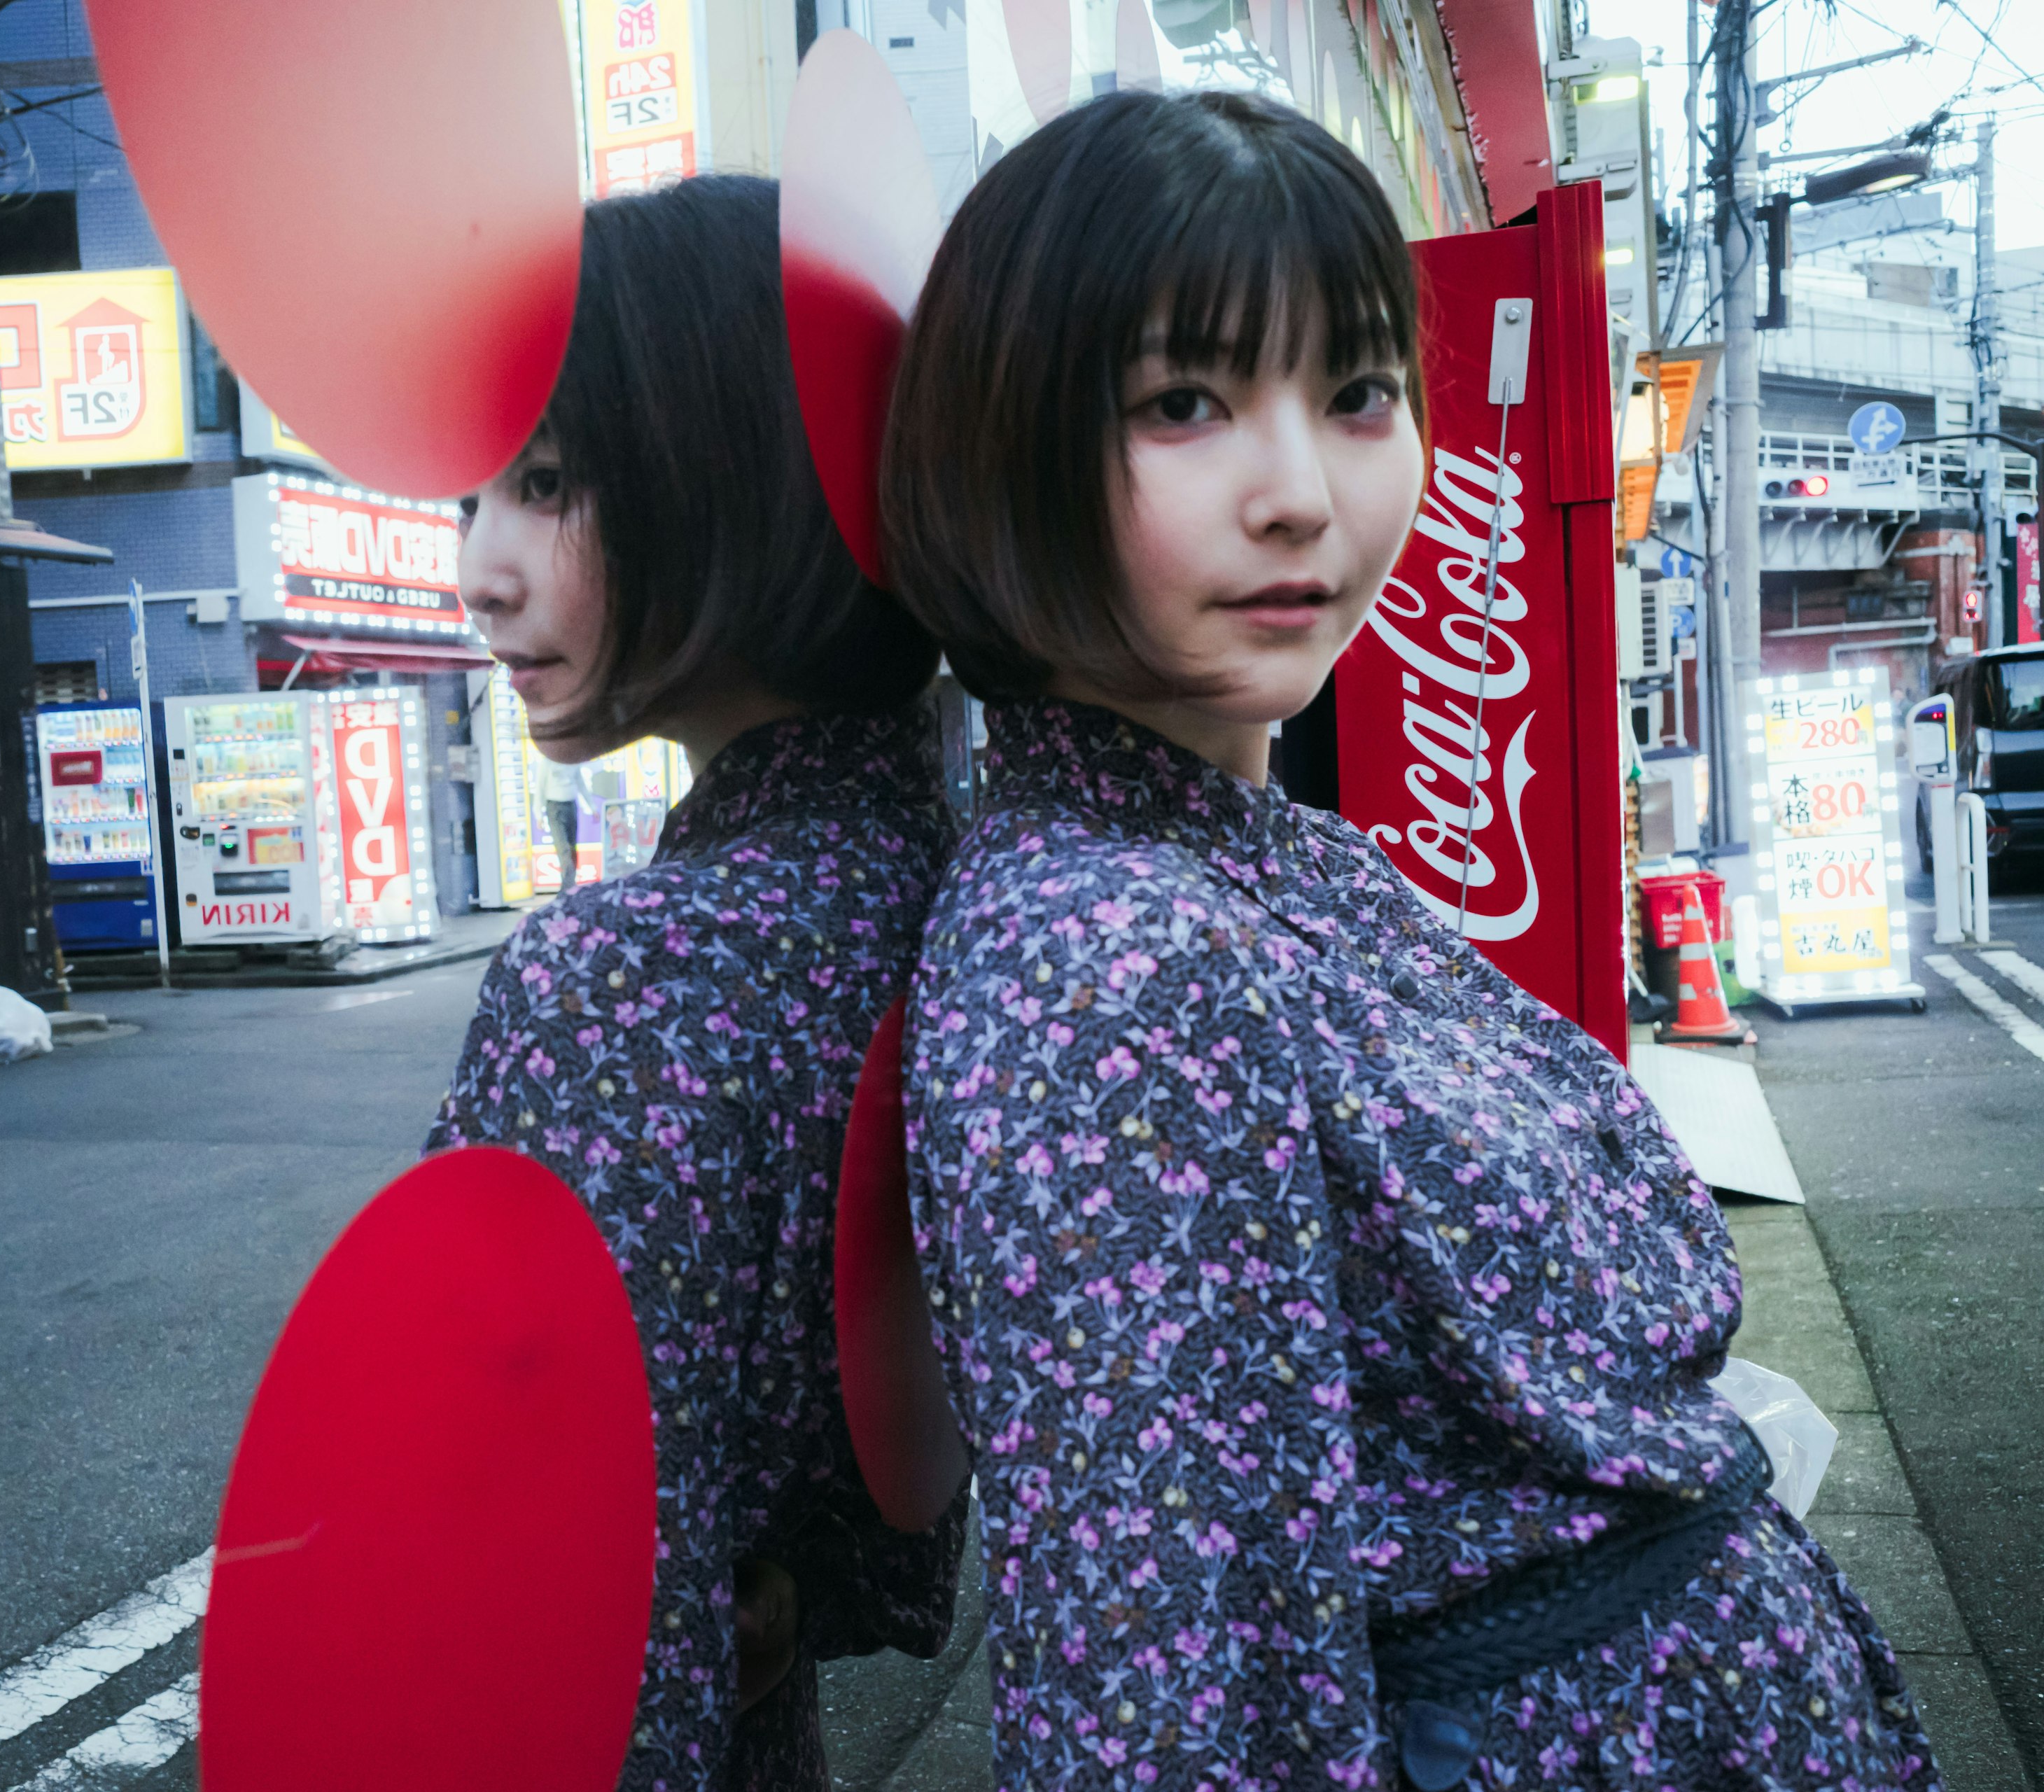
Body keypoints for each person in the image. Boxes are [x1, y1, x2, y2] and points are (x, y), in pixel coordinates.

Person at [877, 90, 1939, 1792]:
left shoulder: (1254, 850)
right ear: (998, 449)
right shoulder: (1109, 955)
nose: (1300, 491)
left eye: (1358, 392)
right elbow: (1161, 1683)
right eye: (1180, 402)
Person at [433, 174, 967, 1791]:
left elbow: (543, 1588)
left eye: (547, 485)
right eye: (473, 495)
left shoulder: (625, 976)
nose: (480, 567)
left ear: (731, 481)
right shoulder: (959, 884)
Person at [538, 755, 583, 892]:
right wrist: (538, 814)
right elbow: (540, 787)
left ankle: (570, 885)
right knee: (563, 848)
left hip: (571, 804)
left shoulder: (573, 759)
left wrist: (592, 806)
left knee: (572, 847)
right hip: (554, 806)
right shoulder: (547, 761)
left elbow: (581, 783)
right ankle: (567, 887)